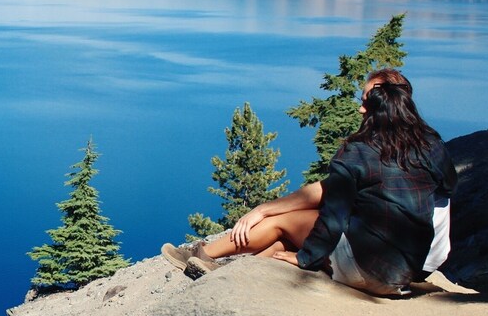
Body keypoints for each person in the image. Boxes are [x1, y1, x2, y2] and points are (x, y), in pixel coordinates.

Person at [162, 69, 457, 296]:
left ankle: (203, 255)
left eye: (364, 101)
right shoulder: (430, 145)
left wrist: (304, 258)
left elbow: (333, 216)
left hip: (368, 269)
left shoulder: (359, 150)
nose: (360, 109)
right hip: (408, 267)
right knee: (282, 241)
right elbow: (445, 189)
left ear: (376, 105)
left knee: (284, 224)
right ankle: (226, 274)